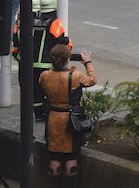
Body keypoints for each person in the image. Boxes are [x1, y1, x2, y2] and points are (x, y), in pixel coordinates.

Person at [39, 44, 96, 186]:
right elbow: (92, 80)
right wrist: (87, 62)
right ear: (67, 60)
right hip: (70, 121)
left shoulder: (45, 76)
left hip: (53, 119)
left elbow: (42, 85)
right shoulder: (75, 76)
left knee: (54, 156)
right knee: (71, 156)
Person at [14, 0, 71, 121]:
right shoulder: (52, 22)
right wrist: (67, 41)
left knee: (30, 89)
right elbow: (60, 39)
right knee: (44, 90)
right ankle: (44, 114)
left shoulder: (20, 22)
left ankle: (35, 114)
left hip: (25, 62)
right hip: (44, 63)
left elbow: (15, 41)